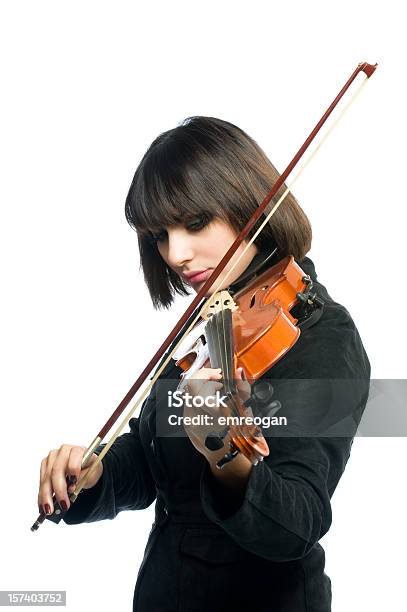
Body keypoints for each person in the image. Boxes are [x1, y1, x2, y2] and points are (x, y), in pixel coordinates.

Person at [37, 116, 371, 611]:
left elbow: (297, 523)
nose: (176, 253)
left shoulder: (322, 336)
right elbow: (157, 462)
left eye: (195, 223)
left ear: (247, 203)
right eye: (159, 235)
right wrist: (94, 477)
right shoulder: (219, 317)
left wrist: (223, 453)